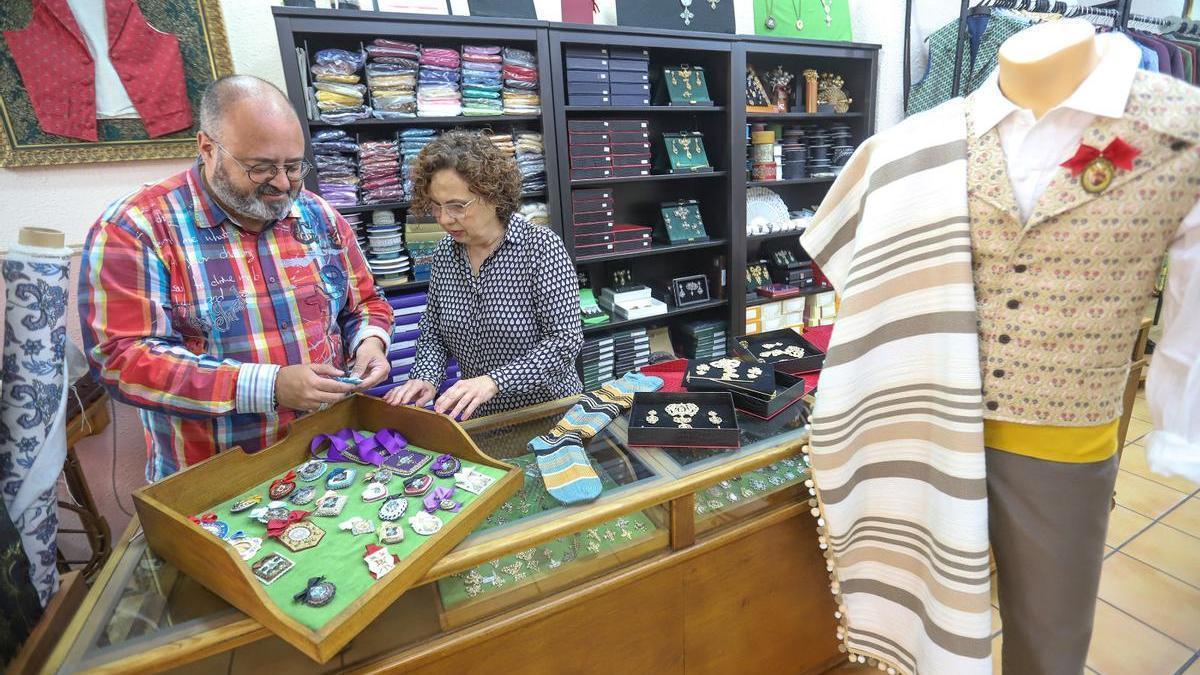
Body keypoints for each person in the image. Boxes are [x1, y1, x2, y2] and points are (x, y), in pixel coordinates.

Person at [78, 75, 394, 482]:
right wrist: (269, 386)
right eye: (261, 168)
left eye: (294, 166)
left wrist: (369, 343)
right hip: (215, 479)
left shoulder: (318, 216)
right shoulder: (137, 228)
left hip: (330, 457)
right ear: (208, 148)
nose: (282, 184)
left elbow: (365, 302)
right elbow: (123, 359)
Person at [384, 130, 582, 420]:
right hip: (481, 418)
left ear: (492, 194)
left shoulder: (540, 247)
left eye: (457, 206)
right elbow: (435, 331)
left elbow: (565, 340)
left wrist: (495, 381)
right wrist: (425, 376)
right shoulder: (445, 254)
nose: (444, 219)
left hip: (548, 413)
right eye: (435, 206)